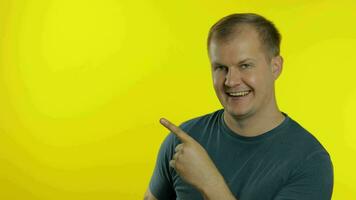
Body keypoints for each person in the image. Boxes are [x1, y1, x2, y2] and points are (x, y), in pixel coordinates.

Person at [144, 13, 333, 200]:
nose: (231, 81)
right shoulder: (183, 140)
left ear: (275, 67)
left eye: (245, 65)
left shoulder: (309, 161)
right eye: (220, 68)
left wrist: (209, 183)